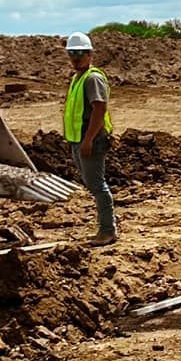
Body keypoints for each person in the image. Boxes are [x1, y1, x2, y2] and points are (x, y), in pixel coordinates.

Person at [63, 32, 117, 244]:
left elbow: (99, 110)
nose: (75, 58)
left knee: (97, 185)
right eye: (72, 53)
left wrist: (88, 140)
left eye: (80, 53)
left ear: (90, 54)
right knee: (92, 183)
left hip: (91, 140)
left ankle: (107, 230)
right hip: (80, 139)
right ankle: (105, 227)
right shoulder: (78, 78)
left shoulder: (92, 78)